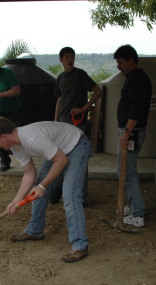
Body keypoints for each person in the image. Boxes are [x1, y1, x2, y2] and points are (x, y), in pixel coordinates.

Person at [0, 116, 91, 263]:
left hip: (76, 145)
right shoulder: (15, 146)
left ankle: (80, 245)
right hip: (57, 150)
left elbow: (62, 161)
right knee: (37, 187)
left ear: (3, 136)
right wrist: (16, 200)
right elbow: (29, 174)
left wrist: (42, 187)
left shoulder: (32, 139)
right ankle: (34, 230)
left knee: (70, 194)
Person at [50, 46, 102, 207]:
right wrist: (55, 120)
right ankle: (58, 189)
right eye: (67, 57)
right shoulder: (60, 78)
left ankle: (81, 196)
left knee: (80, 158)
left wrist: (84, 108)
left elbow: (97, 91)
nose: (70, 59)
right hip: (63, 123)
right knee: (61, 157)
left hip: (78, 123)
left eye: (72, 57)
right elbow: (59, 100)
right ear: (61, 59)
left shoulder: (80, 75)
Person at [113, 45, 152, 228]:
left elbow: (137, 109)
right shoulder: (134, 78)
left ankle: (137, 214)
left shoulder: (137, 79)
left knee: (127, 172)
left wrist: (127, 132)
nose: (119, 66)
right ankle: (131, 205)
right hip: (130, 131)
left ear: (131, 60)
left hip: (132, 132)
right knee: (123, 170)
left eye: (121, 62)